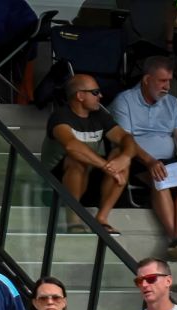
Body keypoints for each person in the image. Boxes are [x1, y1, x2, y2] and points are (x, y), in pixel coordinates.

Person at [109, 57, 177, 260]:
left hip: (169, 161)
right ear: (146, 79)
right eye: (162, 81)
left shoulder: (172, 103)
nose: (167, 86)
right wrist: (151, 160)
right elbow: (125, 141)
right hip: (138, 160)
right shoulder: (124, 101)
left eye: (169, 80)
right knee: (161, 175)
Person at [42, 74, 138, 235]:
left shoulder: (99, 115)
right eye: (95, 92)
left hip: (88, 177)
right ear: (80, 96)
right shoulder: (60, 116)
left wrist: (125, 158)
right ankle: (73, 220)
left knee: (118, 153)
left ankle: (101, 219)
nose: (100, 96)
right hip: (55, 184)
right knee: (77, 159)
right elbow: (72, 146)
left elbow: (125, 138)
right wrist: (106, 167)